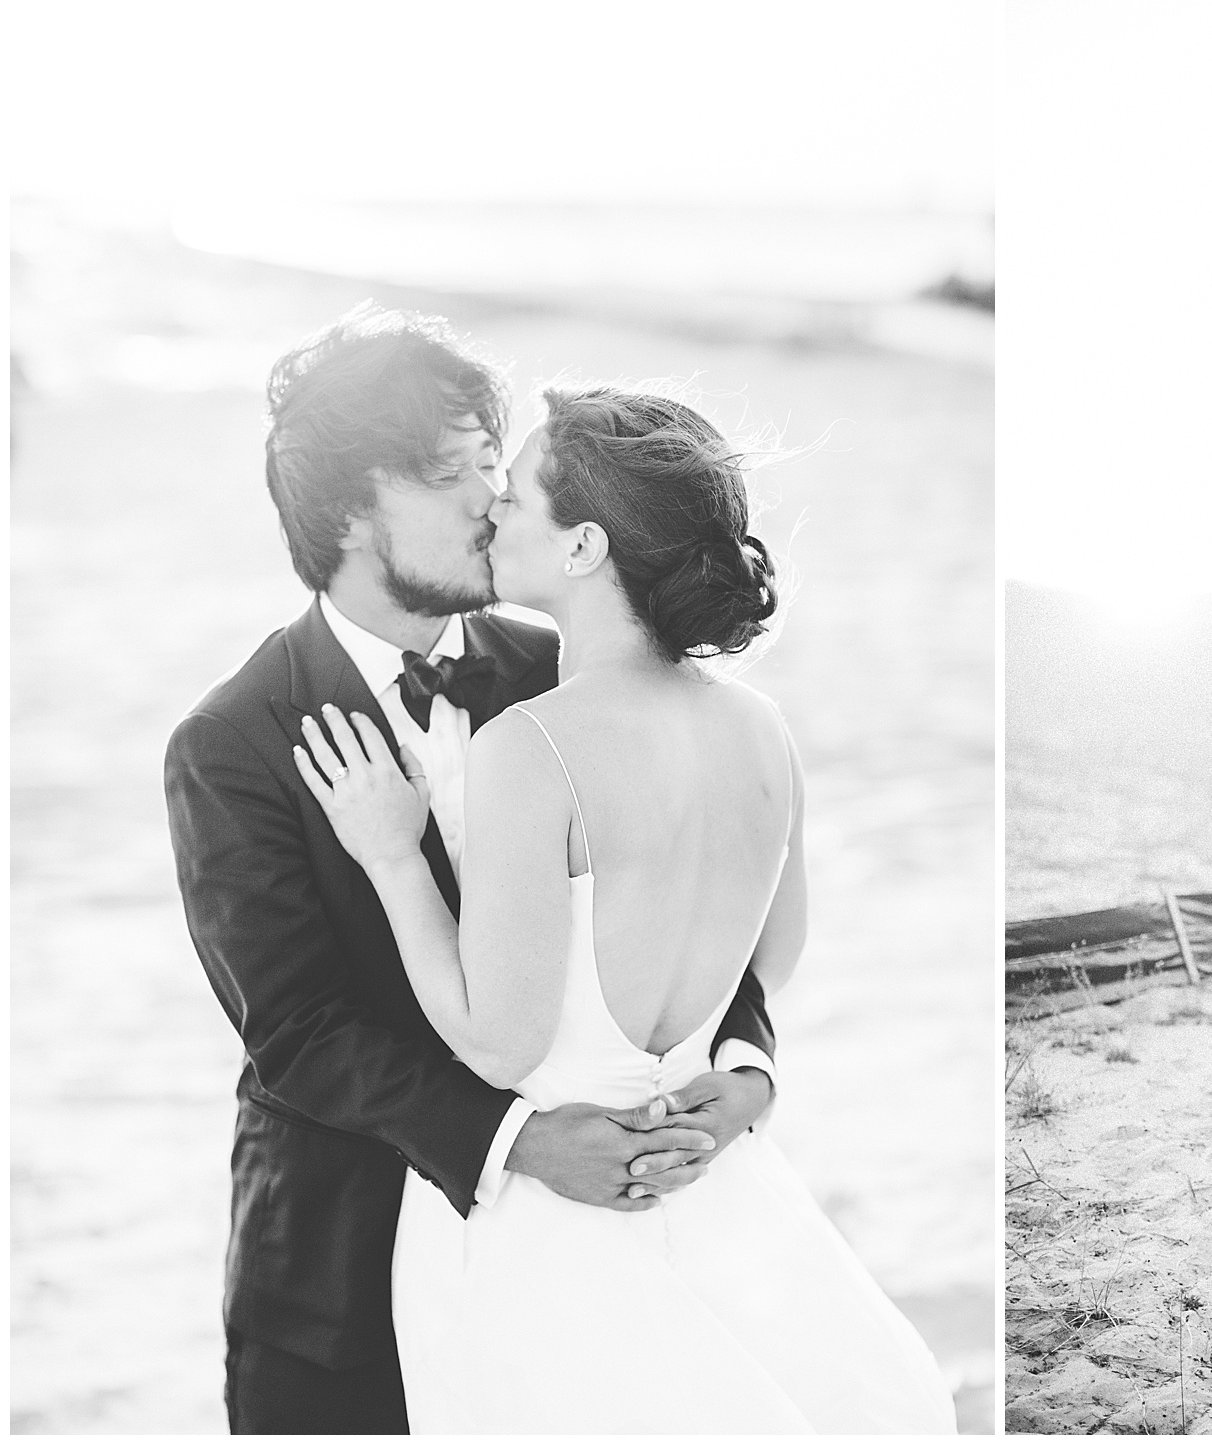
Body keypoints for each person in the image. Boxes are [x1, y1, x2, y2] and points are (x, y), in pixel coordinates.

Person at [294, 381, 957, 1432]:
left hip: (550, 1226)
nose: (490, 513)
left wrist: (389, 856)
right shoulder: (760, 732)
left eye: (512, 496)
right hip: (708, 1188)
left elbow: (499, 1046)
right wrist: (732, 1077)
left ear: (583, 547)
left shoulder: (536, 746)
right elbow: (770, 962)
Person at [165, 306, 779, 1434]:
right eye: (452, 472)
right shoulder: (233, 740)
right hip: (341, 1282)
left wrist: (747, 1064)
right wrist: (524, 1145)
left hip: (589, 1255)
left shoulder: (565, 667)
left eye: (496, 465)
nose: (492, 498)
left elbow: (683, 888)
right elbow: (298, 1032)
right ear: (351, 509)